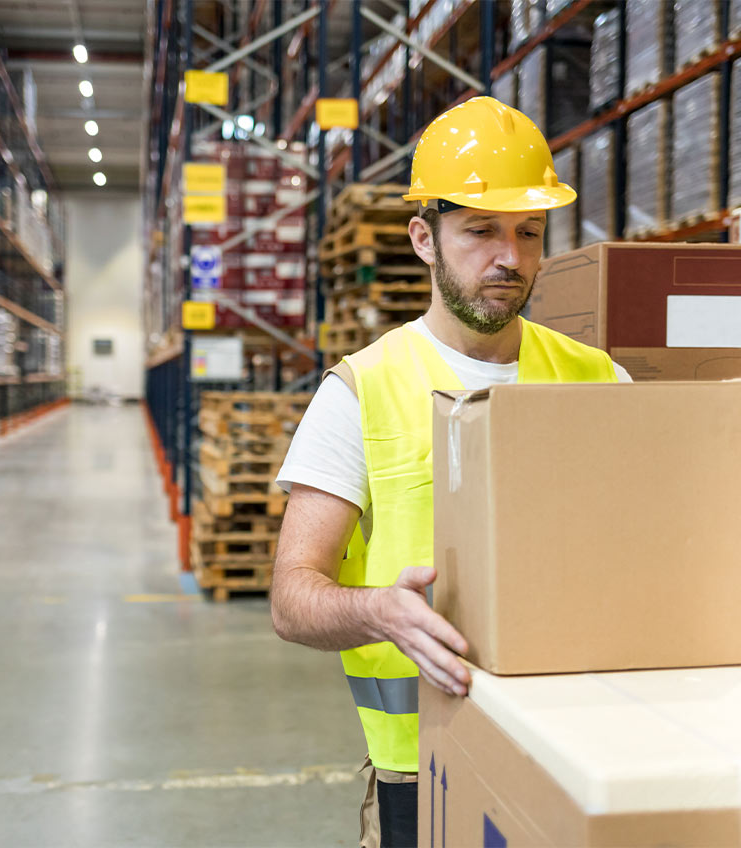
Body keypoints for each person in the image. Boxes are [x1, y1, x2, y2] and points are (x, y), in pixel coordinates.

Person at [271, 96, 631, 848]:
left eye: (528, 232)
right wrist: (380, 612)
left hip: (581, 752)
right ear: (423, 238)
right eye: (480, 232)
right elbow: (291, 597)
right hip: (423, 769)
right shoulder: (362, 391)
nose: (509, 257)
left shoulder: (599, 381)